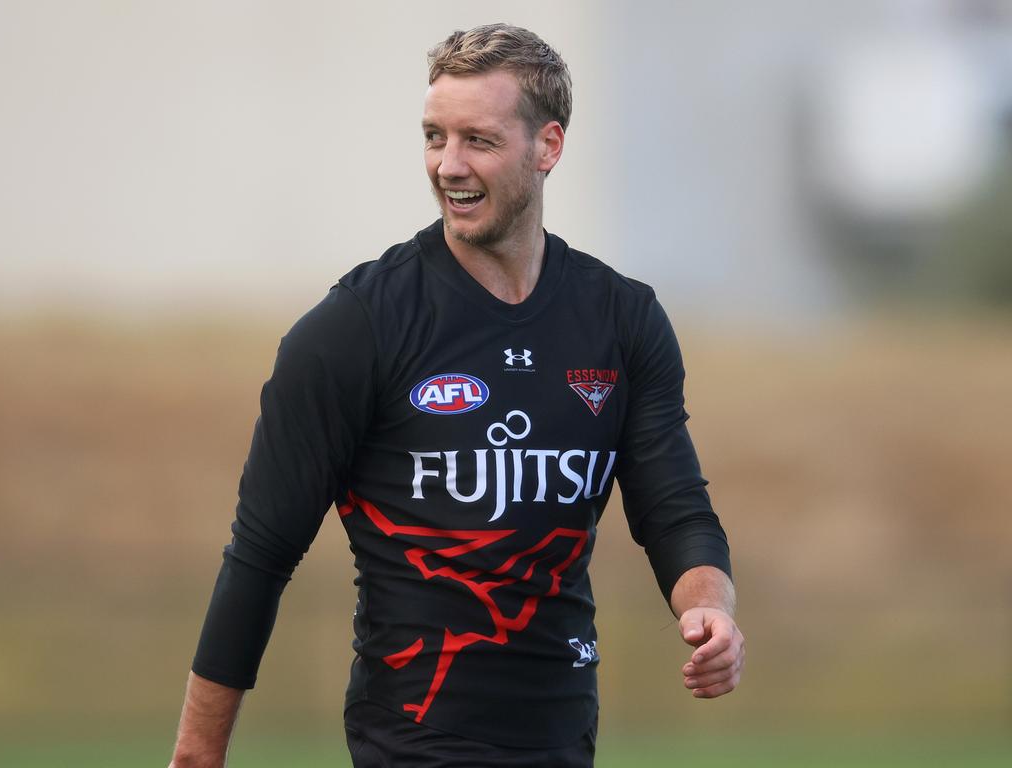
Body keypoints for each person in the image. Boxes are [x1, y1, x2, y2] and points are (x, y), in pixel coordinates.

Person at [169, 22, 744, 768]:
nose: (448, 165)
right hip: (412, 742)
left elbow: (675, 509)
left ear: (549, 147)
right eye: (434, 136)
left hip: (563, 739)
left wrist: (709, 607)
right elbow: (260, 555)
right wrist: (196, 755)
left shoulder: (620, 320)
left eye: (478, 139)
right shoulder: (356, 328)